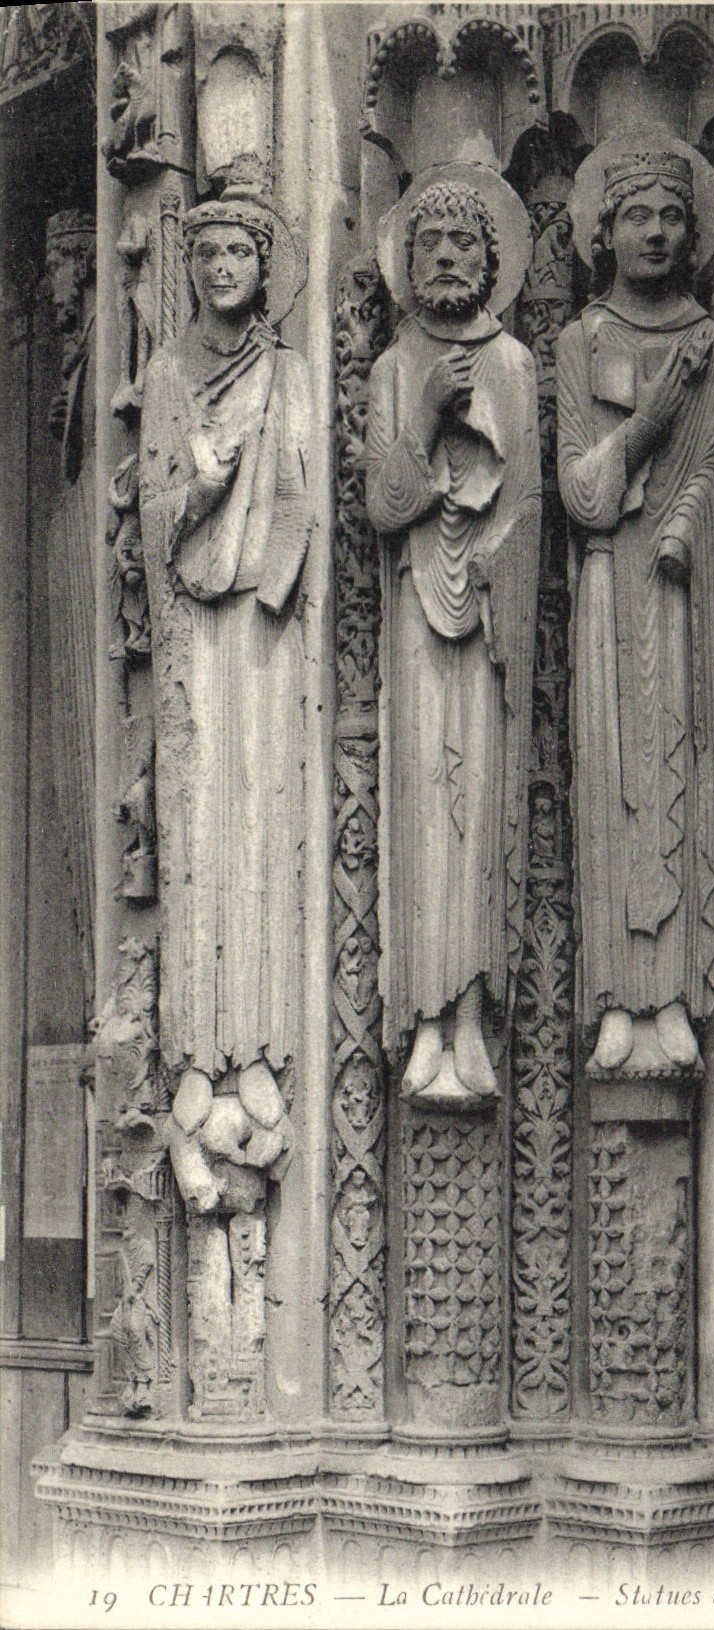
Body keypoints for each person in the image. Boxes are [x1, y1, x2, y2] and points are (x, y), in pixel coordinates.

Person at [139, 175, 310, 1209]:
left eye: (240, 253)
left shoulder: (286, 373)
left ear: (262, 267)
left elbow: (300, 495)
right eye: (206, 255)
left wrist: (276, 582)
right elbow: (157, 504)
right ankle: (195, 1057)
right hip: (193, 631)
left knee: (261, 831)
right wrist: (196, 489)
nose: (222, 269)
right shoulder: (167, 372)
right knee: (199, 835)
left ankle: (257, 1050)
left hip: (263, 627)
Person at [557, 142, 714, 1076]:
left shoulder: (710, 343)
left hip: (675, 588)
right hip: (603, 587)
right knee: (614, 782)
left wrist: (685, 525)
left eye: (670, 214)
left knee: (677, 777)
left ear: (692, 230)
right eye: (637, 215)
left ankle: (672, 999)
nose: (656, 230)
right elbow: (581, 495)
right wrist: (648, 421)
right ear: (605, 232)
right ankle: (617, 999)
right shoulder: (579, 344)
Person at [366, 167, 540, 1101]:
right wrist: (427, 412)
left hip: (483, 619)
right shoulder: (395, 367)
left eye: (462, 242)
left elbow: (534, 503)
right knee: (422, 815)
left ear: (490, 259)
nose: (443, 255)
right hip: (414, 623)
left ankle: (468, 1013)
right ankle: (422, 1019)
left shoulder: (512, 364)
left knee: (476, 814)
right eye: (429, 240)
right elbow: (382, 506)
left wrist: (494, 558)